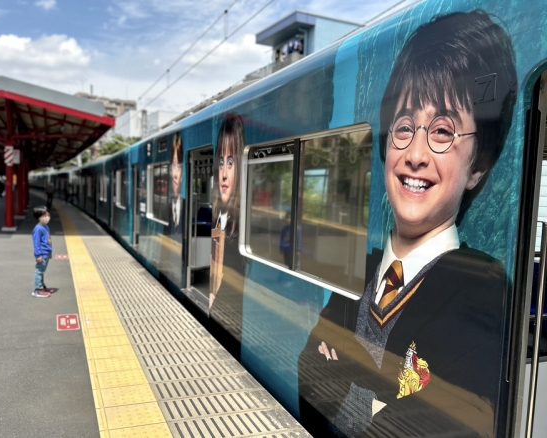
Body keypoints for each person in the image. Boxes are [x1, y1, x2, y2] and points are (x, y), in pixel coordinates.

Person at [298, 10, 517, 437]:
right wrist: (381, 401)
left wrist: (343, 376)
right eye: (403, 127)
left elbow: (444, 426)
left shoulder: (484, 289)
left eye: (443, 132)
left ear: (479, 165)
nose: (415, 154)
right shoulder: (360, 270)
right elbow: (306, 374)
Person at [209, 113, 246, 358]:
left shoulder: (243, 227)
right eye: (221, 162)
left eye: (231, 163)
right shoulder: (217, 216)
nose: (223, 173)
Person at [32, 206, 53, 298]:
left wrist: (50, 252)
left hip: (46, 253)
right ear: (39, 217)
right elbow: (36, 243)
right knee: (39, 271)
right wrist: (38, 255)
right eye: (44, 216)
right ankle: (38, 289)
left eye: (48, 215)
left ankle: (42, 286)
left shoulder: (46, 227)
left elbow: (48, 240)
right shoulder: (38, 229)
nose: (47, 217)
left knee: (42, 271)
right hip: (42, 254)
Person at [170, 133, 183, 235]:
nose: (174, 175)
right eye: (174, 165)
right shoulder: (168, 206)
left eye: (179, 167)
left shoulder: (185, 208)